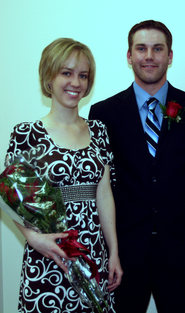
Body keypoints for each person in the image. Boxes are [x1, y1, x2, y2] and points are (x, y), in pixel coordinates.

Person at [89, 20, 185, 313]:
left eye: (158, 49)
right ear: (129, 56)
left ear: (170, 56)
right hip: (125, 256)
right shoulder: (103, 113)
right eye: (141, 48)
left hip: (182, 253)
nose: (149, 56)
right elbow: (101, 184)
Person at [5, 38, 122, 313]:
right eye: (66, 73)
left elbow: (104, 195)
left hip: (93, 252)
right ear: (49, 76)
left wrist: (114, 251)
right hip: (49, 254)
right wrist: (33, 239)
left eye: (83, 75)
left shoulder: (99, 130)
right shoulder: (26, 134)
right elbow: (10, 198)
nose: (76, 83)